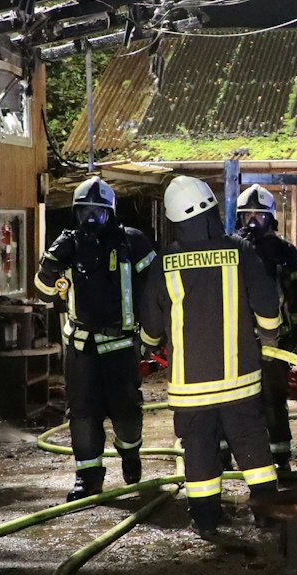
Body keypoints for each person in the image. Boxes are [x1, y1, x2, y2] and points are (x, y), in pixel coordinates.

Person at [141, 175, 284, 537]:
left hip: (191, 392)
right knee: (252, 445)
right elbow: (267, 306)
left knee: (199, 452)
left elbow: (150, 328)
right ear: (213, 210)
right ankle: (267, 515)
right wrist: (269, 338)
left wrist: (152, 342)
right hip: (241, 384)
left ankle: (206, 521)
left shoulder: (163, 264)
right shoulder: (240, 252)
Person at [34, 177, 161, 502]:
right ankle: (88, 478)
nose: (91, 218)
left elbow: (155, 290)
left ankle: (130, 458)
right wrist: (50, 264)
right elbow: (44, 293)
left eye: (98, 212)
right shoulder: (69, 246)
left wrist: (153, 335)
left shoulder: (133, 243)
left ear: (111, 212)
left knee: (126, 415)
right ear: (76, 213)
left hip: (121, 347)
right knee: (82, 415)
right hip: (81, 350)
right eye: (85, 212)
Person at [236, 184, 297, 473]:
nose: (253, 221)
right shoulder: (233, 250)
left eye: (259, 215)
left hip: (276, 341)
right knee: (238, 400)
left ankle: (280, 458)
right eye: (247, 216)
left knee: (273, 399)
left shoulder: (286, 253)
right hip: (239, 338)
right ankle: (229, 456)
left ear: (271, 218)